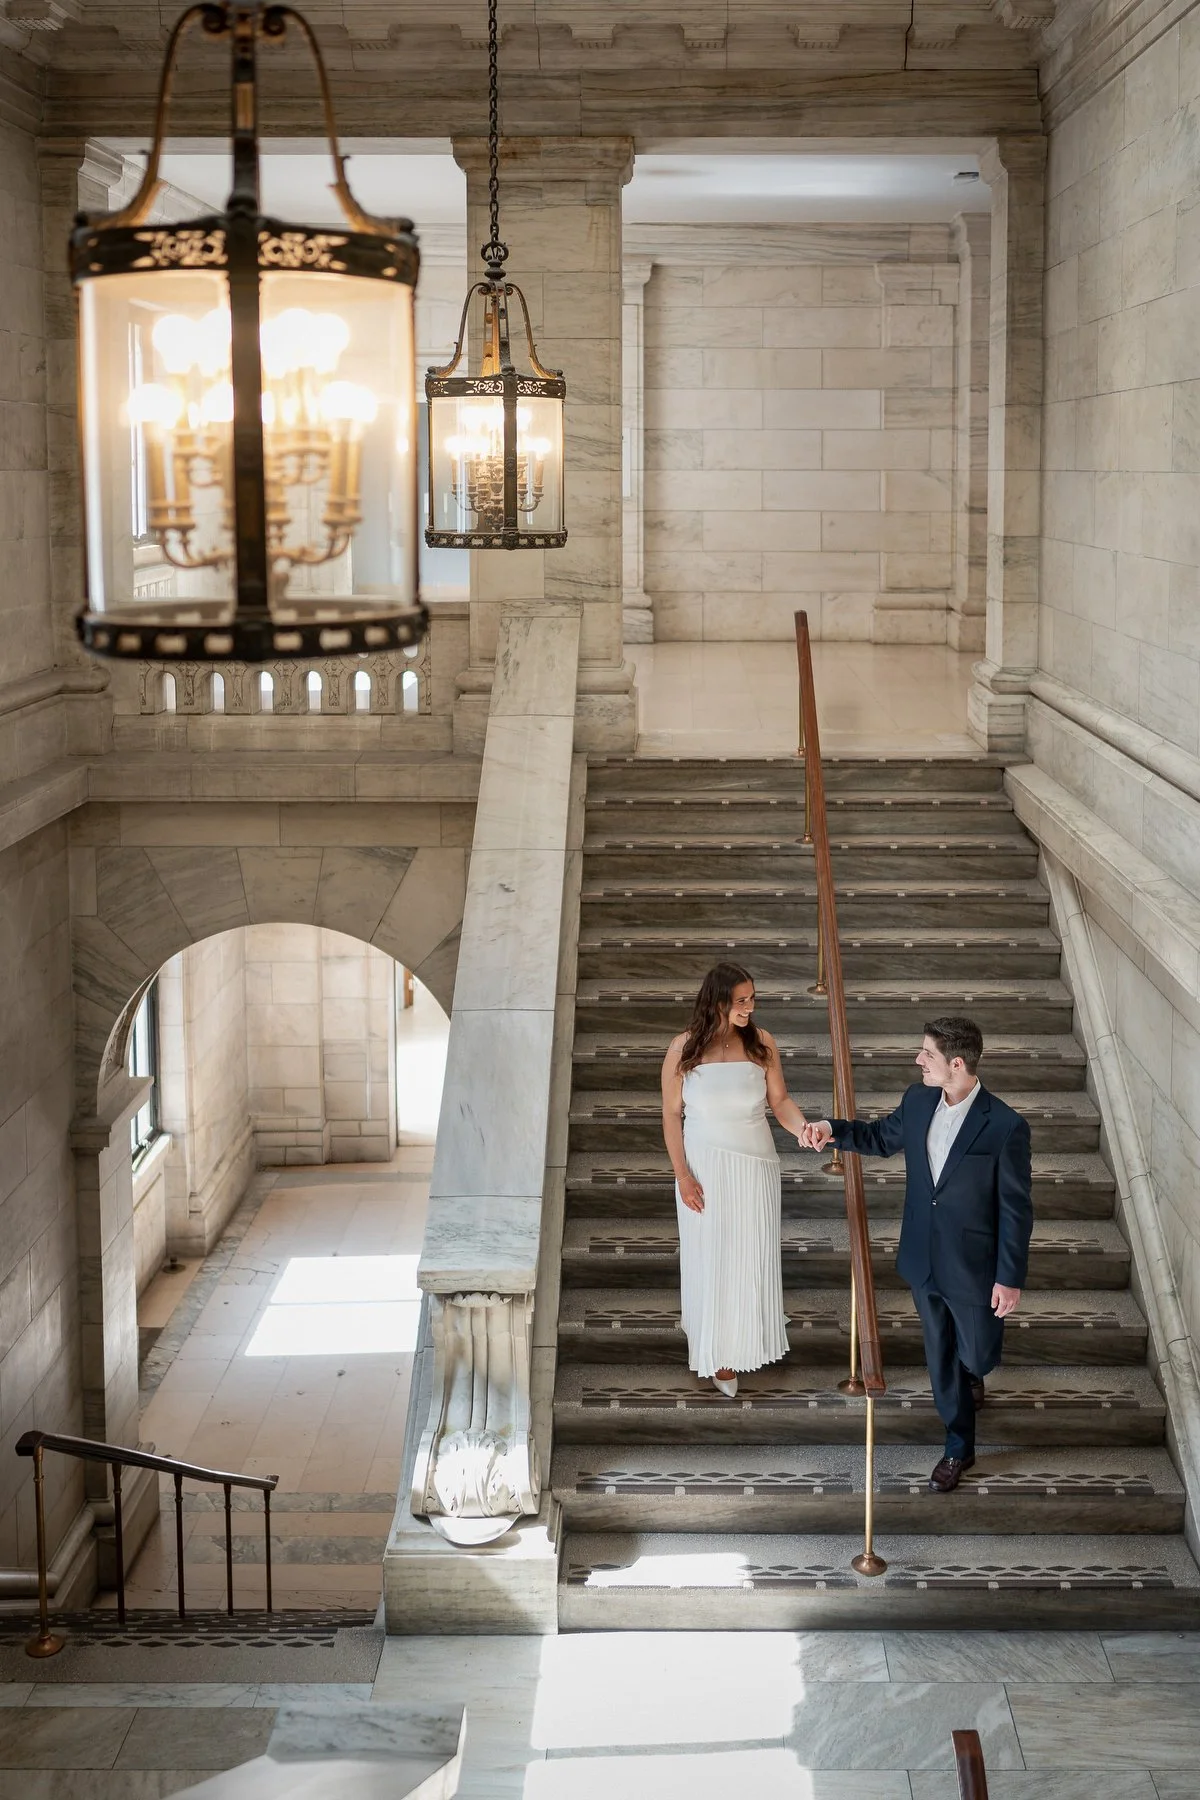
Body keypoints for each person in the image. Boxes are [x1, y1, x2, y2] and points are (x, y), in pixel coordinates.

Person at [804, 1016, 1033, 1492]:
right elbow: (879, 1137)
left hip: (975, 1267)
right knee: (940, 1357)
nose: (917, 1061)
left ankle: (975, 1373)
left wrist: (1009, 1278)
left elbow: (1016, 1209)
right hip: (923, 1259)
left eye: (926, 1054)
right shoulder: (918, 1098)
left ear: (955, 1063)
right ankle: (958, 1446)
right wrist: (832, 1128)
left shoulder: (1006, 1126)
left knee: (978, 1354)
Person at [661, 963, 810, 1398]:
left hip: (755, 1165)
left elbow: (779, 1100)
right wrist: (683, 1175)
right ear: (719, 1002)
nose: (750, 1007)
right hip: (704, 1167)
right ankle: (717, 1354)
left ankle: (747, 1340)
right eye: (741, 1000)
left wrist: (803, 1129)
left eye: (752, 999)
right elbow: (672, 1115)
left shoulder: (762, 1043)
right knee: (711, 1256)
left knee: (750, 1252)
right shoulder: (682, 1048)